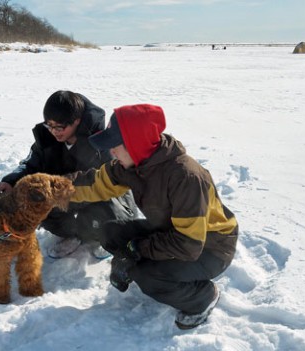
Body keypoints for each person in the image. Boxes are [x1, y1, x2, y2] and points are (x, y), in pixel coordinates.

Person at [69, 104, 238, 329]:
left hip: (210, 246)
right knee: (111, 232)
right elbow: (97, 183)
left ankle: (203, 297)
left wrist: (138, 248)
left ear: (134, 143)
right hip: (170, 231)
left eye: (115, 146)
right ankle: (141, 263)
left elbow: (188, 244)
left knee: (149, 276)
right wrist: (53, 190)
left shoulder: (185, 177)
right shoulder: (135, 164)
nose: (111, 152)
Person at [0, 91, 137, 258]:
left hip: (101, 195)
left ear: (77, 121)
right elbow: (30, 165)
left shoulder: (100, 141)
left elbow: (115, 181)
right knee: (39, 206)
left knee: (110, 219)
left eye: (59, 127)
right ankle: (73, 234)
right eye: (49, 125)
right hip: (66, 194)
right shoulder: (47, 139)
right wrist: (10, 181)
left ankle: (100, 237)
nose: (54, 131)